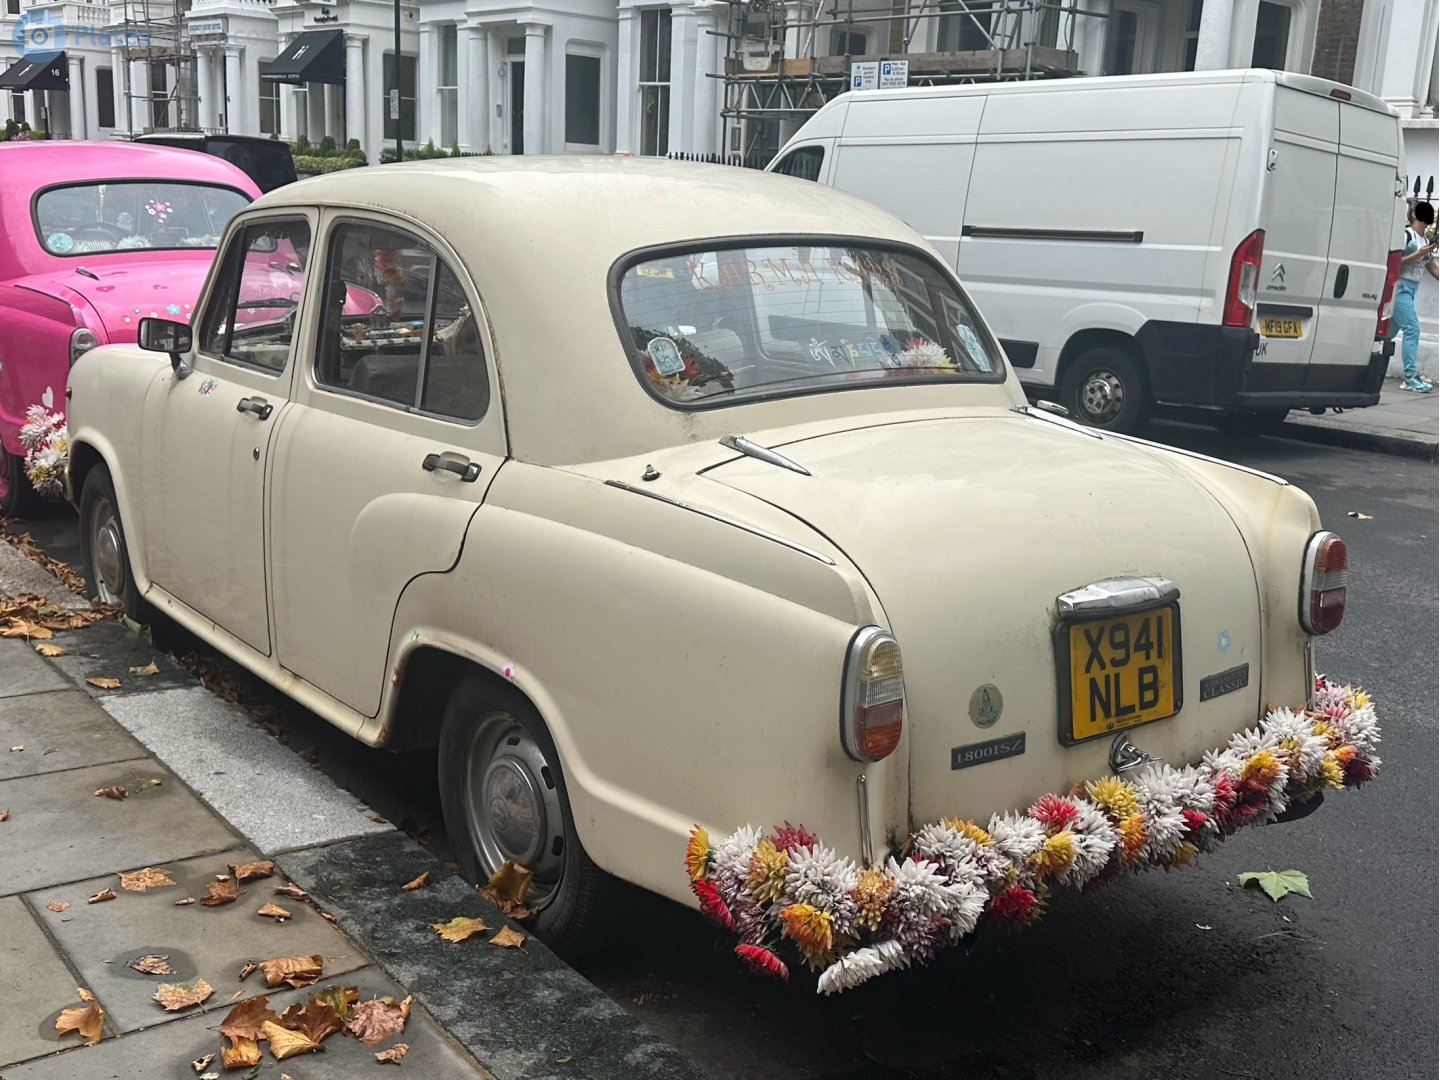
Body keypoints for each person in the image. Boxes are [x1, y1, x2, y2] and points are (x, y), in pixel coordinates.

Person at [1392, 200, 1437, 392]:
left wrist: (1421, 254)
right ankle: (1410, 377)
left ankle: (1366, 365)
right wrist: (1416, 254)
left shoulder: (1425, 241)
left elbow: (1433, 269)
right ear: (1414, 215)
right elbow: (1394, 263)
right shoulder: (1406, 235)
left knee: (1387, 334)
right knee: (1412, 329)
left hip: (1412, 290)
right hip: (1400, 288)